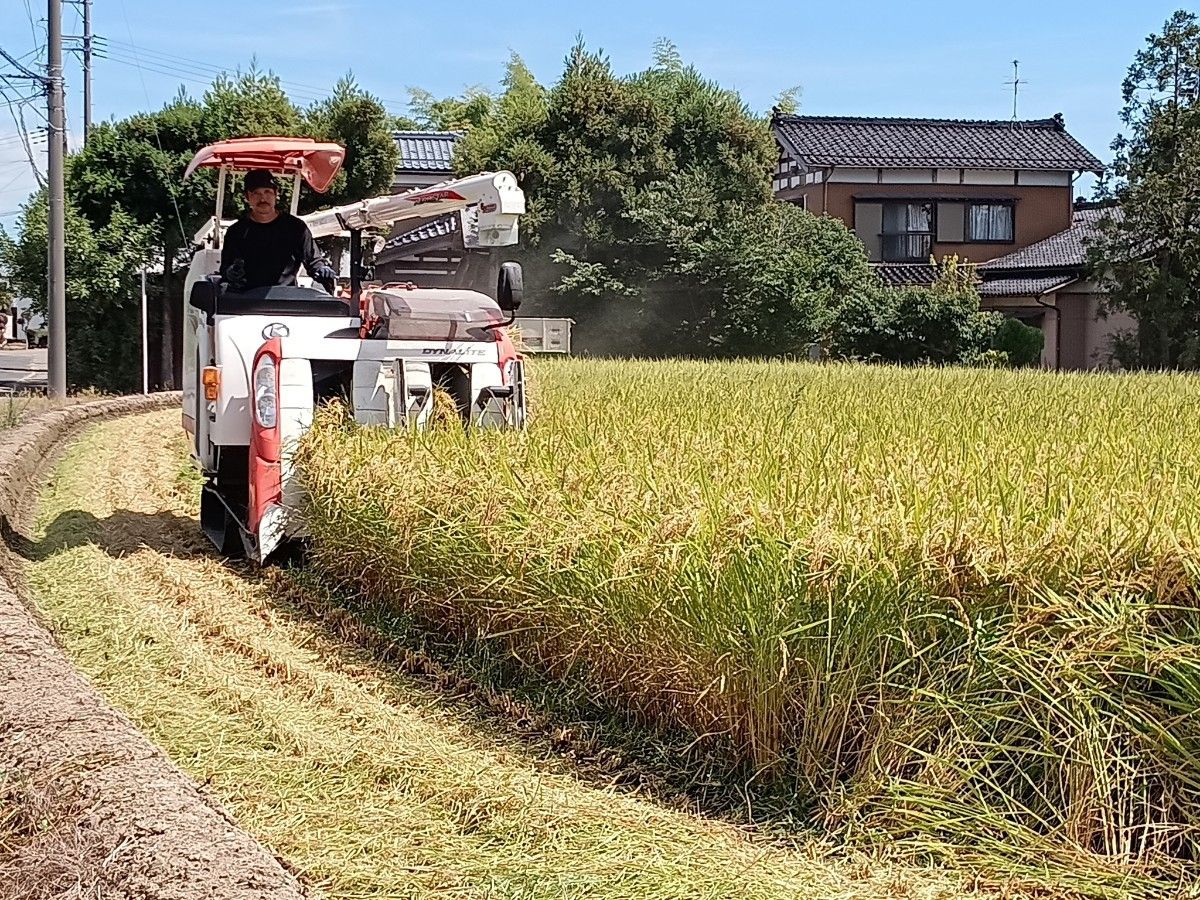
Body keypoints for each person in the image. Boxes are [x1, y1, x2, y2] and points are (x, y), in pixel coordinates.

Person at [219, 169, 338, 292]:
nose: (263, 198)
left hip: (285, 301)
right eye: (256, 193)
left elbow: (313, 261)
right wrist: (231, 273)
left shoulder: (296, 228)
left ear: (276, 194)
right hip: (246, 301)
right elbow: (225, 269)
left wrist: (322, 271)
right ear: (247, 197)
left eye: (267, 192)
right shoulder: (236, 232)